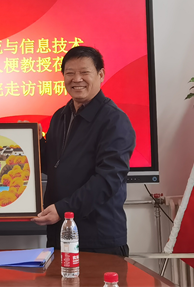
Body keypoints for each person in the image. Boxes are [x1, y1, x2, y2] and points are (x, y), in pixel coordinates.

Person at [32, 46, 136, 256]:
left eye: (84, 72)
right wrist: (32, 143)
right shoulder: (60, 116)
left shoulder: (114, 120)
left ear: (101, 74)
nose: (76, 79)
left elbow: (108, 179)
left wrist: (63, 209)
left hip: (97, 238)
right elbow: (54, 163)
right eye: (70, 73)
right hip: (59, 233)